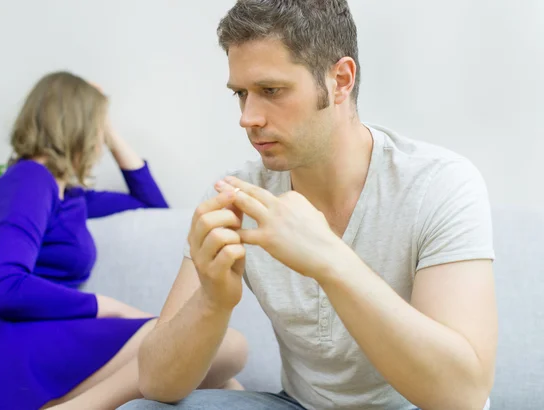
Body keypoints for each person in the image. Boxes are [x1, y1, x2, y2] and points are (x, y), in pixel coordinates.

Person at [122, 1, 498, 410]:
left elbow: (462, 396)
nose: (248, 118)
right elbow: (156, 383)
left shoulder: (438, 185)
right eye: (241, 94)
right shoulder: (240, 196)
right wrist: (213, 301)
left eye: (271, 91)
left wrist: (329, 260)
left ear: (340, 80)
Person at [0, 71, 248, 410]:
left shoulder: (71, 197)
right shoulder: (30, 179)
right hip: (6, 343)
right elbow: (3, 287)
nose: (100, 142)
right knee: (225, 347)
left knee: (223, 378)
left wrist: (114, 134)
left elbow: (153, 209)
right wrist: (108, 307)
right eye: (99, 129)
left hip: (48, 338)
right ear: (79, 126)